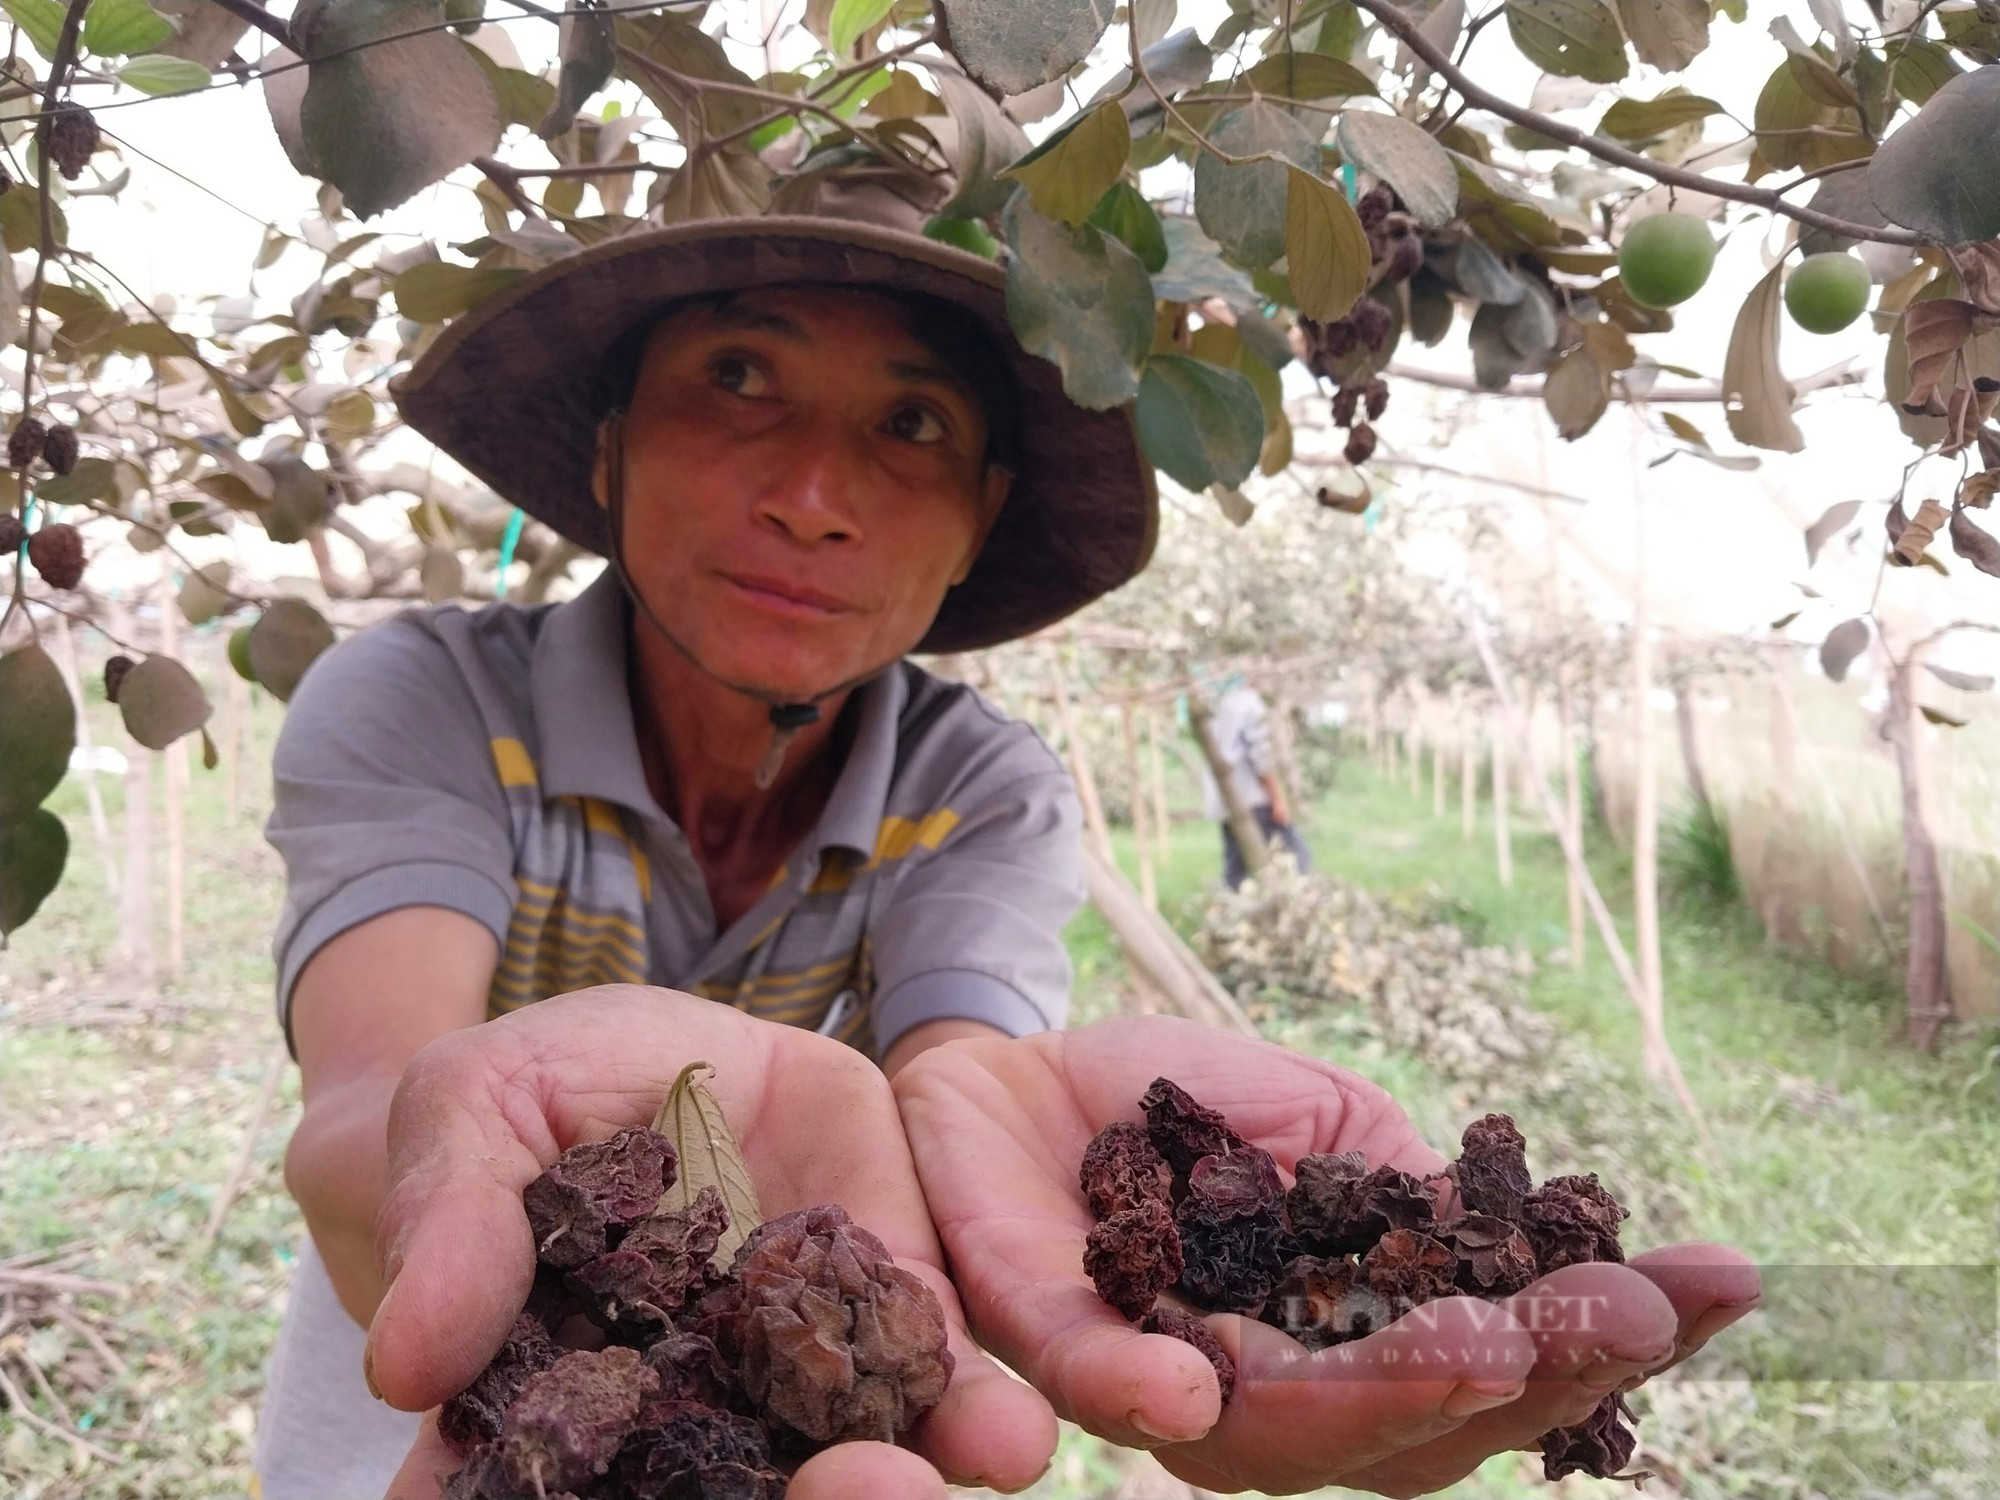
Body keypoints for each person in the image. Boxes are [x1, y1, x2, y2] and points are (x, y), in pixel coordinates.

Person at [254, 207, 1756, 1500]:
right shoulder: (424, 698)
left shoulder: (986, 788)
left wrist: (1068, 1192)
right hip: (415, 1416)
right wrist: (440, 1162)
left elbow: (969, 1078)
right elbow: (368, 1107)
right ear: (610, 443)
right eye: (738, 376)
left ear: (978, 523)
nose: (812, 498)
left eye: (910, 425)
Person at [1197, 675, 1312, 889]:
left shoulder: (1213, 703)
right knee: (1297, 854)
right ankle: (1298, 898)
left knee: (1235, 864)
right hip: (1252, 798)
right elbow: (1261, 759)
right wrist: (1277, 799)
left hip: (1224, 799)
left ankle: (1232, 909)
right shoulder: (1248, 703)